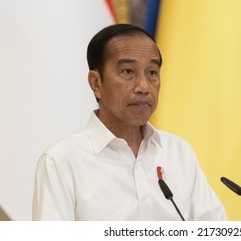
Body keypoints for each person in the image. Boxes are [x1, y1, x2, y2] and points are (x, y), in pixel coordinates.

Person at [32, 24, 227, 221]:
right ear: (96, 83)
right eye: (127, 71)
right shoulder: (61, 161)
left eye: (152, 72)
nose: (143, 87)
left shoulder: (178, 152)